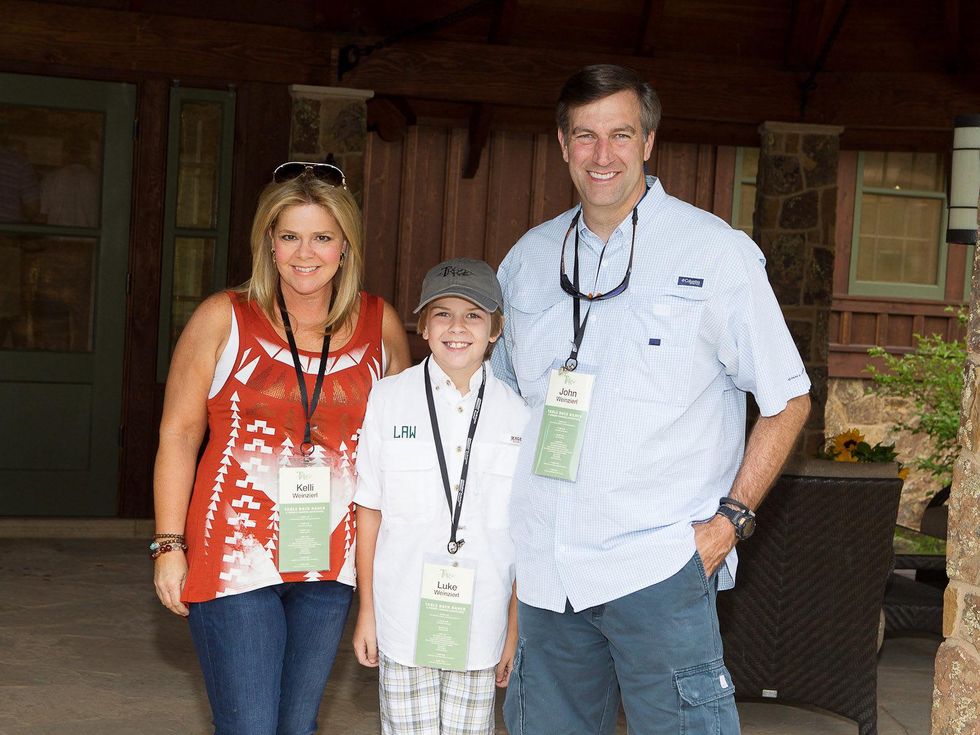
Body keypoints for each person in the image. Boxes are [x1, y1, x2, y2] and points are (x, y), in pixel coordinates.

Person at [491, 65, 812, 734]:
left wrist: (729, 523)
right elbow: (498, 408)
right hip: (550, 579)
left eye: (619, 134)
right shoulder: (527, 260)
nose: (601, 155)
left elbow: (788, 400)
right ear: (562, 144)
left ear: (648, 141)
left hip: (658, 567)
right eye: (585, 136)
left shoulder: (717, 253)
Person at [153, 161, 411, 735]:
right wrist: (169, 544)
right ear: (268, 242)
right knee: (248, 726)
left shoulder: (380, 324)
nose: (305, 253)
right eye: (290, 235)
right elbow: (179, 433)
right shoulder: (224, 316)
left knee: (296, 727)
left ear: (346, 246)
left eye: (322, 237)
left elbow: (406, 438)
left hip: (332, 557)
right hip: (233, 554)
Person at [352, 258, 529, 735]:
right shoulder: (387, 399)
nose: (457, 328)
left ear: (496, 329)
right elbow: (368, 509)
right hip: (401, 615)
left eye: (473, 315)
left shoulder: (519, 415)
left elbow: (523, 534)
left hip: (482, 619)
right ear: (423, 326)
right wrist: (366, 611)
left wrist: (513, 630)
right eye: (443, 314)